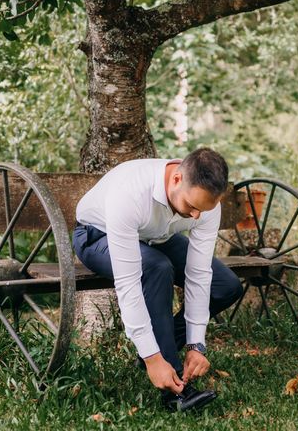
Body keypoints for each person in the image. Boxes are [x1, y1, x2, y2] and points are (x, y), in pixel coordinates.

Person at [72, 148, 243, 412]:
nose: (197, 216)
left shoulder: (205, 204)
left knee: (226, 286)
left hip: (156, 237)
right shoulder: (129, 192)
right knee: (157, 267)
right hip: (98, 236)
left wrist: (196, 344)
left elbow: (198, 274)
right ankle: (174, 391)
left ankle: (159, 349)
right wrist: (153, 358)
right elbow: (128, 284)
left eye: (204, 209)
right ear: (176, 179)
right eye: (192, 206)